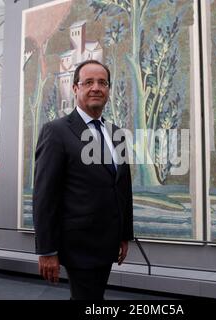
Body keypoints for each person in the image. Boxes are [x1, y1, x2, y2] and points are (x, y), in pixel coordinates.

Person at [33, 60, 134, 300]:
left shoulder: (117, 134)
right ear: (75, 89)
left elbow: (122, 187)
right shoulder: (56, 131)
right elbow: (45, 196)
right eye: (88, 82)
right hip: (78, 246)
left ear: (109, 90)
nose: (96, 87)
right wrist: (47, 250)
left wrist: (124, 235)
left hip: (108, 243)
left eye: (102, 82)